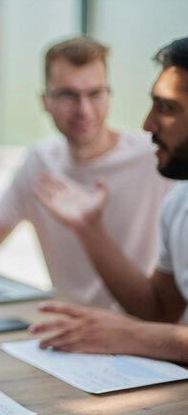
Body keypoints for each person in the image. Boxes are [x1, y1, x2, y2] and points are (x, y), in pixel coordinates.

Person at [0, 36, 172, 309]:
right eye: (69, 95)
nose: (84, 110)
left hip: (140, 326)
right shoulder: (41, 161)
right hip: (69, 325)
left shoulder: (157, 158)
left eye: (95, 94)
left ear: (109, 94)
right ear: (45, 101)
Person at [29, 36, 188, 362]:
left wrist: (129, 334)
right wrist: (89, 228)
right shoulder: (179, 202)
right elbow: (159, 310)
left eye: (167, 108)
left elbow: (148, 327)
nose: (148, 123)